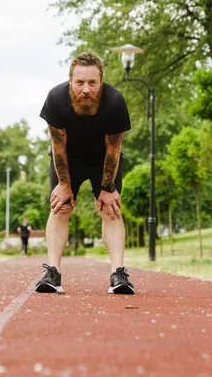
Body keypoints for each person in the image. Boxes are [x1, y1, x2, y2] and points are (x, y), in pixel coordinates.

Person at [36, 51, 135, 295]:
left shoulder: (115, 102)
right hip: (68, 159)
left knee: (110, 209)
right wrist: (64, 185)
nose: (86, 89)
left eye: (92, 83)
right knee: (61, 207)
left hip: (103, 159)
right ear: (70, 81)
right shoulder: (56, 99)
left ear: (101, 82)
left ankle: (118, 274)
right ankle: (53, 274)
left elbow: (113, 149)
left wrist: (108, 188)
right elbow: (58, 148)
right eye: (80, 83)